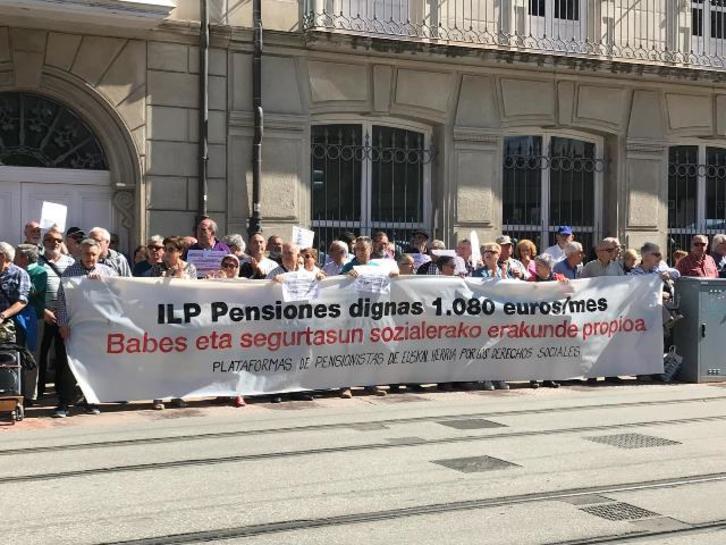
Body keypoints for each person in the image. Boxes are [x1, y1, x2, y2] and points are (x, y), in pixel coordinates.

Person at [56, 238, 118, 416]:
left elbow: (117, 297)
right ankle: (64, 403)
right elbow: (62, 301)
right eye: (86, 254)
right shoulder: (70, 272)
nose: (90, 257)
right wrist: (62, 324)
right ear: (80, 254)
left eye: (93, 254)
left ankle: (91, 401)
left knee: (94, 366)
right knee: (71, 366)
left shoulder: (108, 272)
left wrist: (103, 283)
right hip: (76, 328)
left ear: (98, 254)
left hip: (99, 328)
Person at [37, 228, 75, 404]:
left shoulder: (70, 262)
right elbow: (30, 290)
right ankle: (39, 390)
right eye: (50, 240)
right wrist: (43, 310)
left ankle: (61, 388)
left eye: (59, 240)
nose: (55, 243)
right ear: (44, 242)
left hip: (63, 315)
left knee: (62, 353)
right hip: (42, 314)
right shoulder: (37, 261)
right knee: (40, 354)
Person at [14, 244, 47, 403]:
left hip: (34, 319)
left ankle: (29, 395)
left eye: (16, 255)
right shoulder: (13, 271)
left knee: (31, 355)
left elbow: (30, 291)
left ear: (24, 257)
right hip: (15, 318)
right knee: (15, 355)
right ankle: (14, 390)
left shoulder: (40, 272)